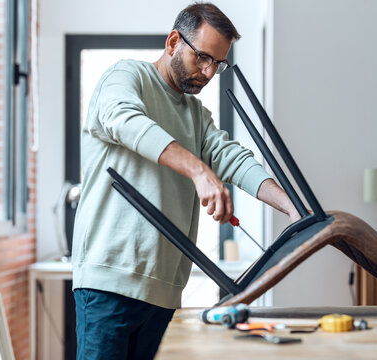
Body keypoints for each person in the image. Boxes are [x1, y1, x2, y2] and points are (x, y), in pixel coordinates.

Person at [71, 3, 299, 359]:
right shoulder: (126, 76)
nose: (209, 72)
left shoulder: (196, 115)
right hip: (111, 281)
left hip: (164, 290)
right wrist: (198, 170)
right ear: (174, 41)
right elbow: (124, 119)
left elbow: (233, 159)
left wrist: (291, 208)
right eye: (202, 58)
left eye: (218, 64)